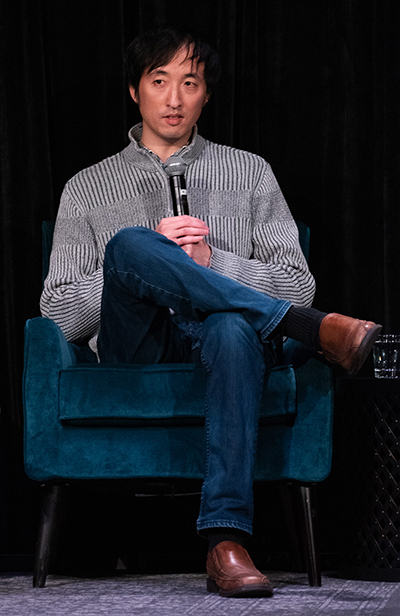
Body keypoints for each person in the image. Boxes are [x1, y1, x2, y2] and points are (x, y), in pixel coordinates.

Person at [40, 27, 381, 598]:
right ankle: (310, 330)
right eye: (159, 82)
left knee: (227, 326)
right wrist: (139, 264)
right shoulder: (86, 186)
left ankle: (226, 542)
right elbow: (56, 311)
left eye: (189, 83)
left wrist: (212, 262)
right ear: (134, 91)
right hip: (138, 349)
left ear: (205, 95)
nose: (174, 99)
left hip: (226, 346)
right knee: (129, 244)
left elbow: (298, 280)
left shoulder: (250, 173)